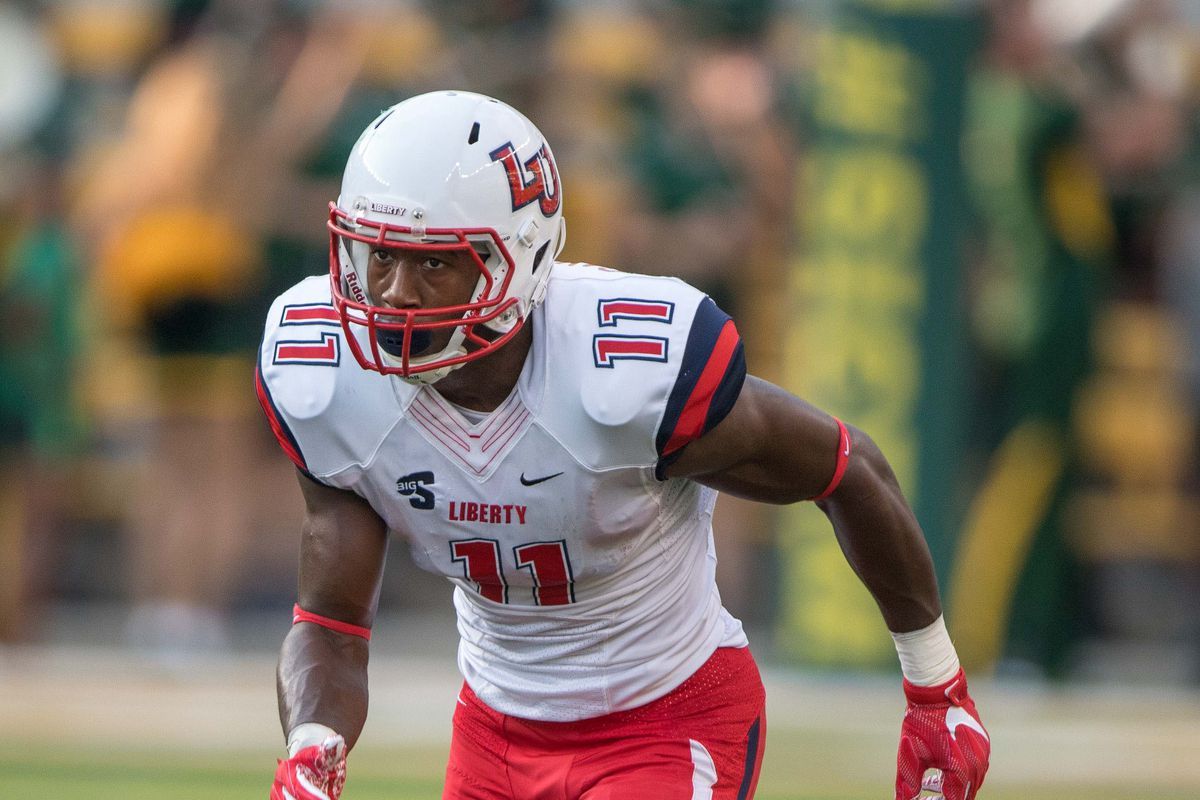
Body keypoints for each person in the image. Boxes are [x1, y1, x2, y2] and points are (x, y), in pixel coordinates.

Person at [258, 90, 990, 800]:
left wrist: (936, 687)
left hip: (668, 718)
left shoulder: (620, 371)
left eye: (434, 263)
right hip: (494, 732)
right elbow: (329, 619)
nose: (393, 295)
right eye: (377, 256)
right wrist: (312, 748)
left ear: (522, 258)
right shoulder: (324, 375)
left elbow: (845, 468)